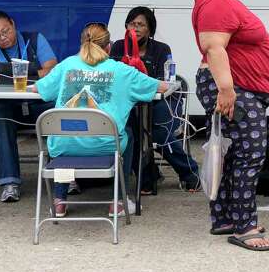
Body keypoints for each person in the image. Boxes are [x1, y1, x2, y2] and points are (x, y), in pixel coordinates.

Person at [187, 0, 269, 251]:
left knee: (230, 153)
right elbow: (214, 47)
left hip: (237, 88)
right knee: (248, 156)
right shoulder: (216, 0)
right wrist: (227, 90)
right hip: (235, 89)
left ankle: (226, 217)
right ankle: (244, 226)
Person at [33, 23, 168, 217]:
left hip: (63, 147)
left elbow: (40, 89)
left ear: (81, 44)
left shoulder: (67, 65)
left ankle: (59, 200)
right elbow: (160, 87)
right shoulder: (122, 71)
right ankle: (118, 201)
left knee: (65, 139)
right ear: (109, 47)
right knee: (127, 133)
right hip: (106, 146)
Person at [110, 6, 200, 193]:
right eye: (131, 24)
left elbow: (164, 82)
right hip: (133, 103)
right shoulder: (118, 46)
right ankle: (147, 177)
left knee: (157, 132)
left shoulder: (160, 49)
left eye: (141, 24)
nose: (135, 28)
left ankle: (190, 173)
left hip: (163, 100)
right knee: (130, 131)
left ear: (149, 29)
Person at [0, 11, 58, 203]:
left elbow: (52, 69)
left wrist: (23, 74)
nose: (3, 38)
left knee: (58, 109)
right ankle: (10, 183)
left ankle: (63, 176)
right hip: (10, 107)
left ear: (13, 24)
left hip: (37, 105)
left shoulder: (34, 40)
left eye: (5, 31)